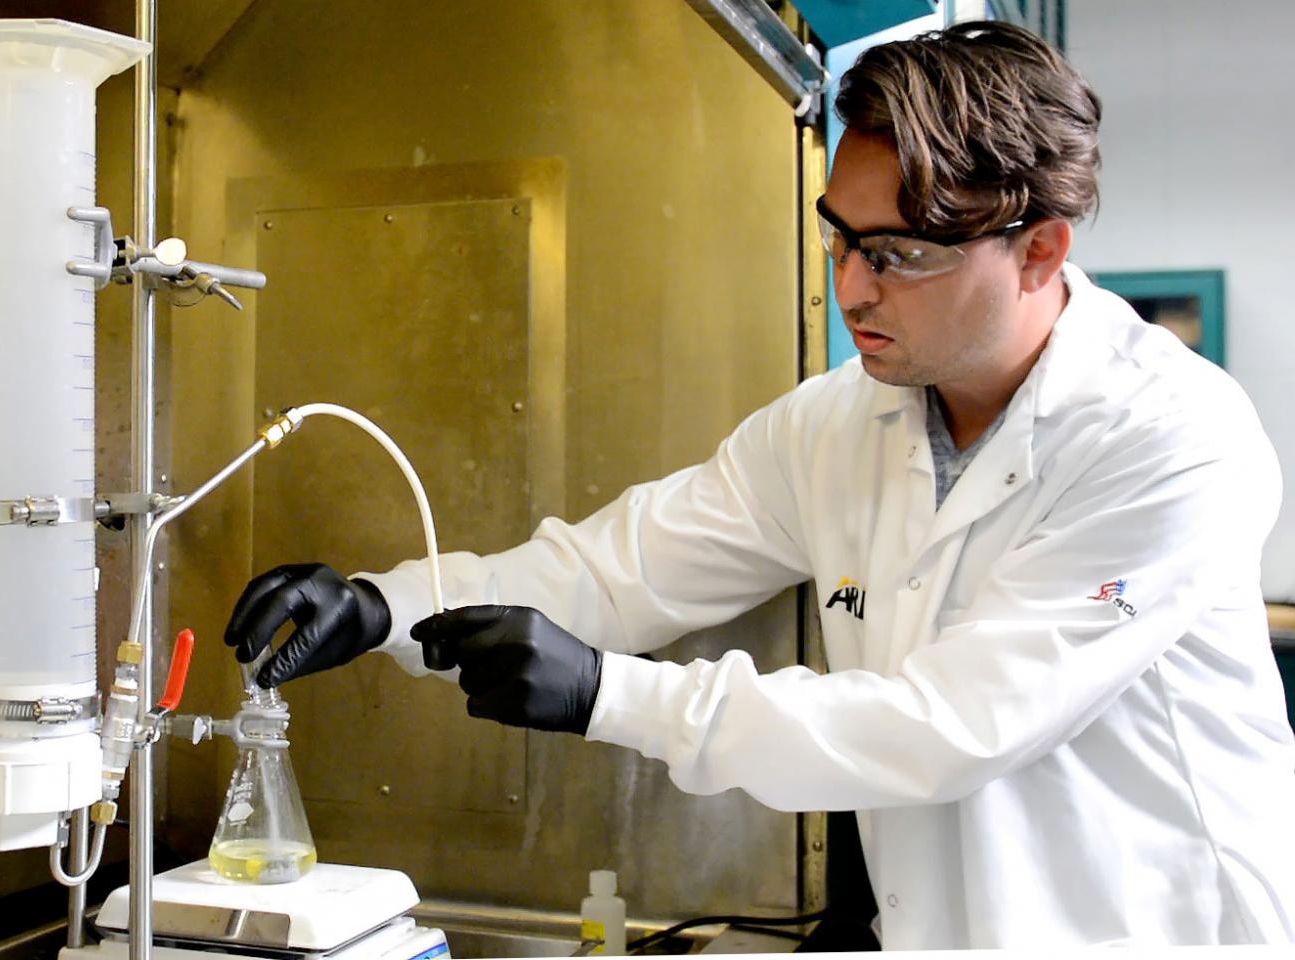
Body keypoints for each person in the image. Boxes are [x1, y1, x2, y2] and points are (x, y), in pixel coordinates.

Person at [222, 21, 1294, 948]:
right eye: (841, 237)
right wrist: (384, 606)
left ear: (1040, 252)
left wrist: (610, 695)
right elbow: (621, 570)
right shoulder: (838, 424)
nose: (854, 286)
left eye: (899, 254)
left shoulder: (1169, 439)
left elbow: (954, 725)